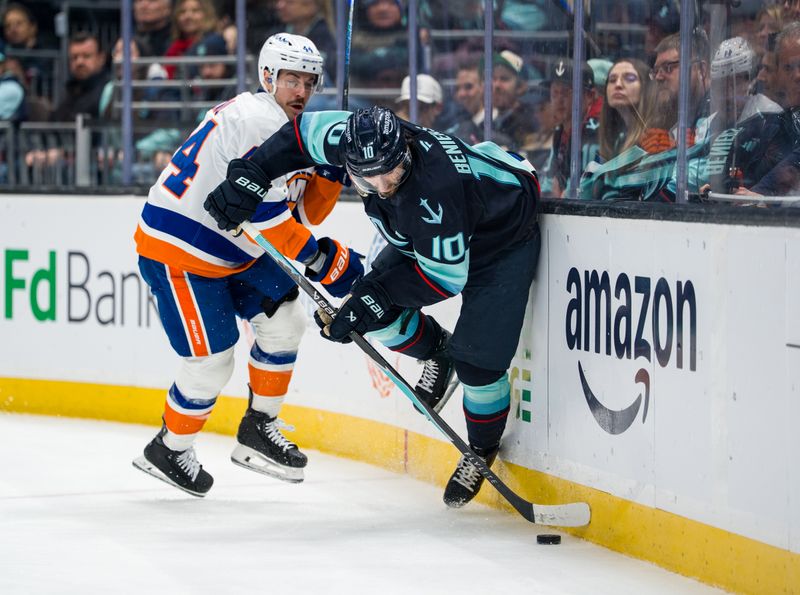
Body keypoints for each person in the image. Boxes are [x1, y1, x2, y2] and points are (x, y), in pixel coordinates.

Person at [203, 106, 542, 508]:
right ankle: (437, 353)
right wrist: (253, 174)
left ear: (406, 151)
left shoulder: (438, 189)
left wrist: (374, 296)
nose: (381, 185)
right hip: (426, 235)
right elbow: (297, 136)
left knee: (478, 363)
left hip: (499, 240)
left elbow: (444, 278)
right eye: (367, 176)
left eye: (391, 172)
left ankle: (480, 450)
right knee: (365, 315)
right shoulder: (354, 138)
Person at [132, 33, 362, 497]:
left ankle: (259, 427)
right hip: (181, 248)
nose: (301, 91)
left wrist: (333, 168)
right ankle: (170, 448)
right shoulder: (259, 120)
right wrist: (322, 260)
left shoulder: (295, 124)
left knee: (287, 322)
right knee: (212, 360)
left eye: (309, 81)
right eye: (291, 79)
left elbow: (307, 213)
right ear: (267, 77)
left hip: (235, 248)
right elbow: (268, 217)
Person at [539, 58, 600, 197]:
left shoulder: (594, 134)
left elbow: (584, 194)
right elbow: (547, 183)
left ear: (589, 96)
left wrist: (560, 196)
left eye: (567, 92)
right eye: (554, 92)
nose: (559, 100)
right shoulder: (560, 131)